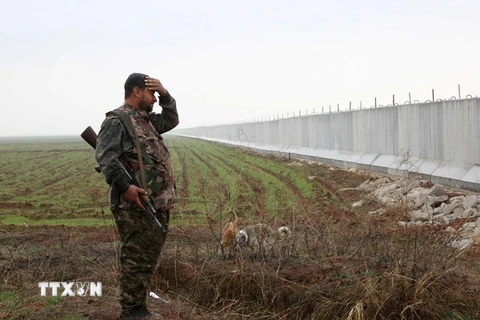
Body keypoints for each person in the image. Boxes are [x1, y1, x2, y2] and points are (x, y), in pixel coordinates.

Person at [95, 73, 179, 319]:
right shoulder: (118, 121)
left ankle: (138, 307)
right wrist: (127, 188)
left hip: (154, 202)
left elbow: (172, 119)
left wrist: (165, 94)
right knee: (135, 258)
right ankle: (132, 311)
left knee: (147, 258)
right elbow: (106, 159)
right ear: (137, 92)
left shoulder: (145, 120)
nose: (154, 99)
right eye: (151, 93)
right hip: (134, 204)